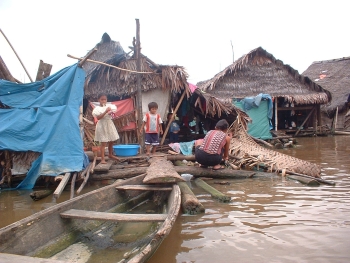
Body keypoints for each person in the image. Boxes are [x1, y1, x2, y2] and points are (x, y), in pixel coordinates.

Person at [92, 93, 120, 164]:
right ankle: (102, 158)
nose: (104, 101)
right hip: (102, 125)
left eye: (105, 99)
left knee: (111, 140)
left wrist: (110, 112)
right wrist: (105, 111)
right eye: (102, 99)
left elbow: (113, 113)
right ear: (99, 100)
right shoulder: (97, 109)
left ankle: (110, 154)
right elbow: (98, 118)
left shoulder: (110, 106)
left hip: (109, 124)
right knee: (103, 142)